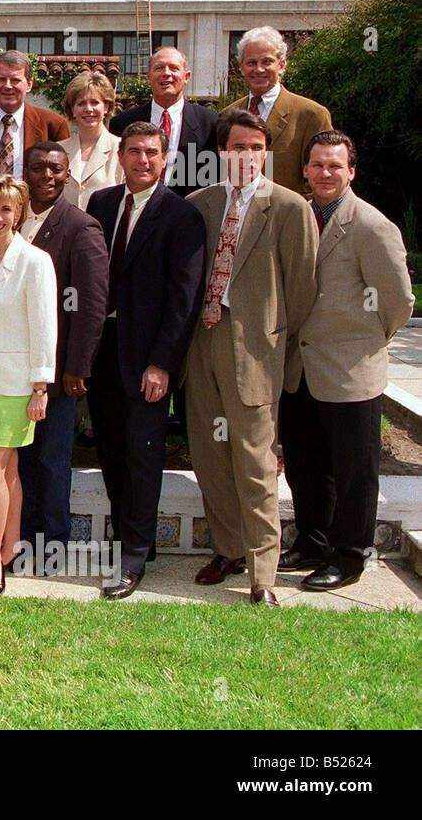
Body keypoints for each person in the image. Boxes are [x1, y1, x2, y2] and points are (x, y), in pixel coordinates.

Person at [185, 108, 318, 606]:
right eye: (237, 147)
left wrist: (275, 339)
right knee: (210, 455)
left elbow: (303, 289)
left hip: (257, 350)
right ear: (222, 152)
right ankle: (228, 548)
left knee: (255, 461)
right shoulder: (199, 204)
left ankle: (263, 573)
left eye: (256, 148)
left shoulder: (288, 208)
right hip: (203, 343)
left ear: (266, 153)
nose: (247, 156)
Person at [279, 131, 414, 591]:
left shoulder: (372, 226)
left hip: (351, 370)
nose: (325, 173)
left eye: (335, 166)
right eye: (317, 165)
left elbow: (398, 302)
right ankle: (312, 541)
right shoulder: (296, 215)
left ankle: (350, 555)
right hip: (299, 369)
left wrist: (365, 343)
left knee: (355, 472)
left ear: (351, 171)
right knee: (305, 464)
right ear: (305, 169)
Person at [86, 122, 206, 600]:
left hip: (148, 356)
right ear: (122, 157)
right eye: (133, 151)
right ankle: (131, 535)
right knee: (111, 448)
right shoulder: (101, 203)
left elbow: (185, 300)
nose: (141, 160)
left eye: (150, 153)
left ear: (165, 159)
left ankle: (133, 557)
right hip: (104, 348)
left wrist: (162, 363)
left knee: (143, 454)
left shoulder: (182, 216)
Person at [0, 174, 57, 593]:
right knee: (8, 468)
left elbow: (45, 326)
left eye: (6, 209)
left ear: (19, 212)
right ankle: (11, 544)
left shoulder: (36, 262)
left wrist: (41, 386)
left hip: (18, 384)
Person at [16, 143, 107, 562]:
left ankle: (52, 545)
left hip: (56, 369)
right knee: (21, 456)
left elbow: (91, 305)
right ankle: (21, 541)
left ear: (68, 175)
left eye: (56, 169)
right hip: (12, 364)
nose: (47, 176)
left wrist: (77, 366)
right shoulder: (11, 221)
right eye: (38, 169)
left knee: (51, 459)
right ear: (26, 173)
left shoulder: (81, 227)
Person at [223, 26, 333, 196]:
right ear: (241, 67)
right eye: (251, 62)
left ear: (281, 65)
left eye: (267, 62)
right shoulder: (227, 114)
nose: (259, 69)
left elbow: (322, 178)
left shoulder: (311, 115)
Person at [109, 46, 219, 196]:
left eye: (174, 68)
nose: (166, 73)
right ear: (148, 76)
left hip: (191, 213)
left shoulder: (212, 123)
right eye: (159, 68)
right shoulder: (122, 123)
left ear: (186, 77)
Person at [0, 50, 70, 185]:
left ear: (29, 84)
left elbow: (61, 178)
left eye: (15, 80)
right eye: (1, 79)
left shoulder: (53, 126)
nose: (7, 86)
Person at [58, 70, 123, 210]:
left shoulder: (121, 149)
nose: (88, 109)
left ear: (106, 107)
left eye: (95, 102)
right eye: (81, 103)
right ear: (72, 109)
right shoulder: (59, 150)